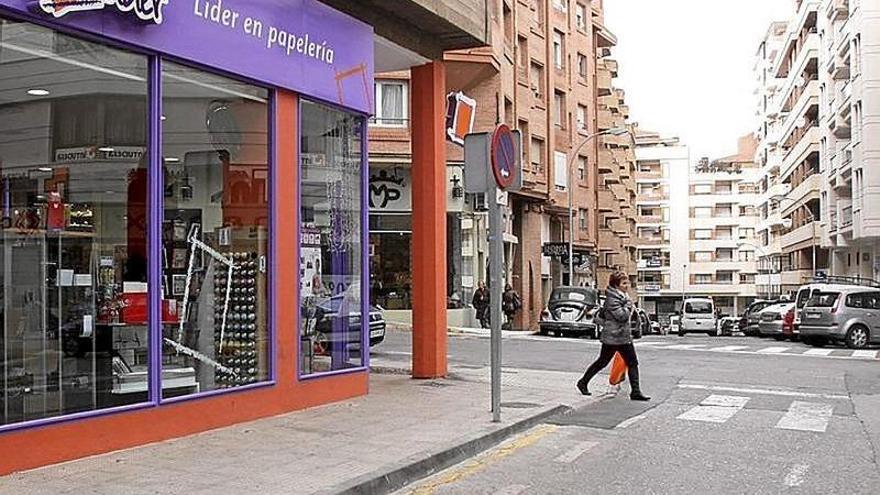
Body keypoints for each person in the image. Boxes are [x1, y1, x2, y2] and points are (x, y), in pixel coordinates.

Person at [576, 271, 650, 401]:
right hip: (613, 337)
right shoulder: (612, 299)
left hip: (622, 336)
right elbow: (622, 316)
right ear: (617, 285)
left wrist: (628, 303)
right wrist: (628, 305)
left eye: (627, 282)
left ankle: (636, 392)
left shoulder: (622, 296)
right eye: (624, 283)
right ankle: (583, 382)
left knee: (632, 362)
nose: (627, 285)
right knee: (603, 362)